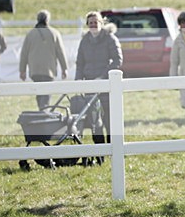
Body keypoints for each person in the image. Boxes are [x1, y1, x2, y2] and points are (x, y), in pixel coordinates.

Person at [75, 11, 122, 144]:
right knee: (94, 120)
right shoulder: (84, 41)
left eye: (96, 22)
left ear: (101, 23)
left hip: (107, 85)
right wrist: (78, 81)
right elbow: (80, 63)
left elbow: (117, 60)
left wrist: (102, 77)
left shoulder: (110, 38)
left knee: (109, 119)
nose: (93, 25)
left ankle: (114, 148)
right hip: (90, 86)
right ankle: (99, 151)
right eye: (90, 23)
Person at [19, 10, 68, 109]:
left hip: (35, 69)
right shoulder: (54, 33)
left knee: (39, 92)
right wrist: (64, 68)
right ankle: (44, 110)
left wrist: (22, 70)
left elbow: (24, 53)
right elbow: (61, 52)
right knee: (46, 92)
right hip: (48, 69)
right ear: (48, 20)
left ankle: (42, 109)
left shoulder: (30, 34)